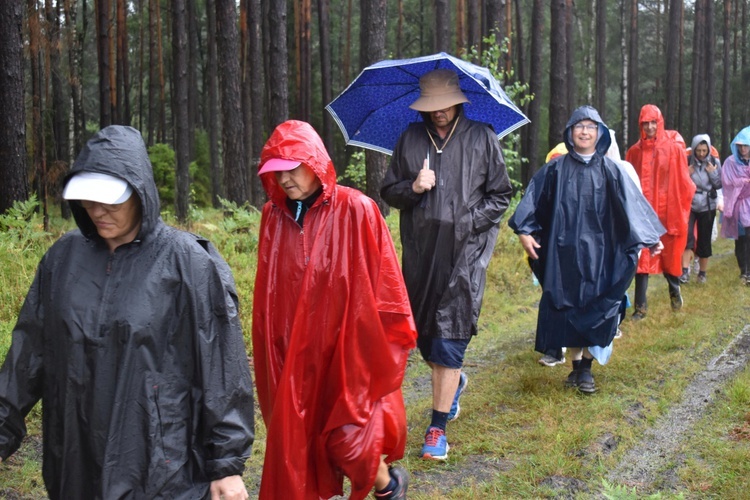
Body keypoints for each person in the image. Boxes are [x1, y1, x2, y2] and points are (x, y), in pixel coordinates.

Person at [0, 125, 254, 499]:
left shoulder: (188, 263)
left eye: (111, 201)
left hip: (158, 462)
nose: (97, 211)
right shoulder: (63, 259)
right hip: (74, 454)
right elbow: (27, 356)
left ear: (140, 193)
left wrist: (227, 464)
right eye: (88, 200)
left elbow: (221, 368)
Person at [252, 120, 416, 500]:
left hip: (347, 349)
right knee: (298, 443)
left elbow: (386, 281)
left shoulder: (356, 208)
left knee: (351, 439)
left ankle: (389, 485)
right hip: (295, 352)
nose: (286, 179)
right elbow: (268, 295)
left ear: (315, 162)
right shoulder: (273, 217)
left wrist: (380, 339)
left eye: (293, 168)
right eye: (277, 172)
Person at [380, 68, 512, 460]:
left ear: (458, 100)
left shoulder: (481, 137)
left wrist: (469, 221)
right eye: (431, 107)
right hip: (420, 256)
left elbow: (501, 195)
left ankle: (436, 428)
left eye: (444, 105)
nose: (438, 113)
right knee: (423, 336)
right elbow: (390, 192)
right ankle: (452, 384)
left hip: (464, 256)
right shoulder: (409, 138)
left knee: (449, 337)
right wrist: (414, 187)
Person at [508, 106, 665, 393]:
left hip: (603, 255)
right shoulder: (554, 170)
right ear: (570, 132)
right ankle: (576, 366)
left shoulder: (611, 170)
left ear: (600, 133)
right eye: (579, 126)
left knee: (600, 306)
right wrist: (524, 231)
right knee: (567, 305)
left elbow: (633, 207)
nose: (584, 131)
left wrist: (651, 237)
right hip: (563, 253)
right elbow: (532, 202)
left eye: (591, 127)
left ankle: (586, 370)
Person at [625, 104, 695, 319]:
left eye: (653, 122)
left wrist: (679, 210)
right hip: (643, 215)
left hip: (667, 212)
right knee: (642, 259)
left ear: (660, 122)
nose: (650, 127)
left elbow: (683, 181)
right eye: (645, 123)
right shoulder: (634, 152)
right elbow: (628, 181)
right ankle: (641, 308)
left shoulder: (673, 149)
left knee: (669, 257)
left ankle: (674, 291)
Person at [680, 134, 722, 284]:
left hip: (707, 204)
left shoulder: (714, 161)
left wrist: (712, 172)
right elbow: (679, 183)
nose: (701, 154)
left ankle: (702, 273)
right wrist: (686, 173)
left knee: (704, 239)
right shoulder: (686, 161)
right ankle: (684, 271)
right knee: (687, 236)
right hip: (689, 203)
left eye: (704, 150)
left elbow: (718, 184)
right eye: (698, 150)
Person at [720, 125, 750, 285]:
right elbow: (726, 181)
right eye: (740, 146)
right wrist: (742, 182)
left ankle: (749, 271)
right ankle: (743, 270)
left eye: (746, 145)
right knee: (741, 239)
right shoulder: (730, 162)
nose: (743, 149)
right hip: (737, 205)